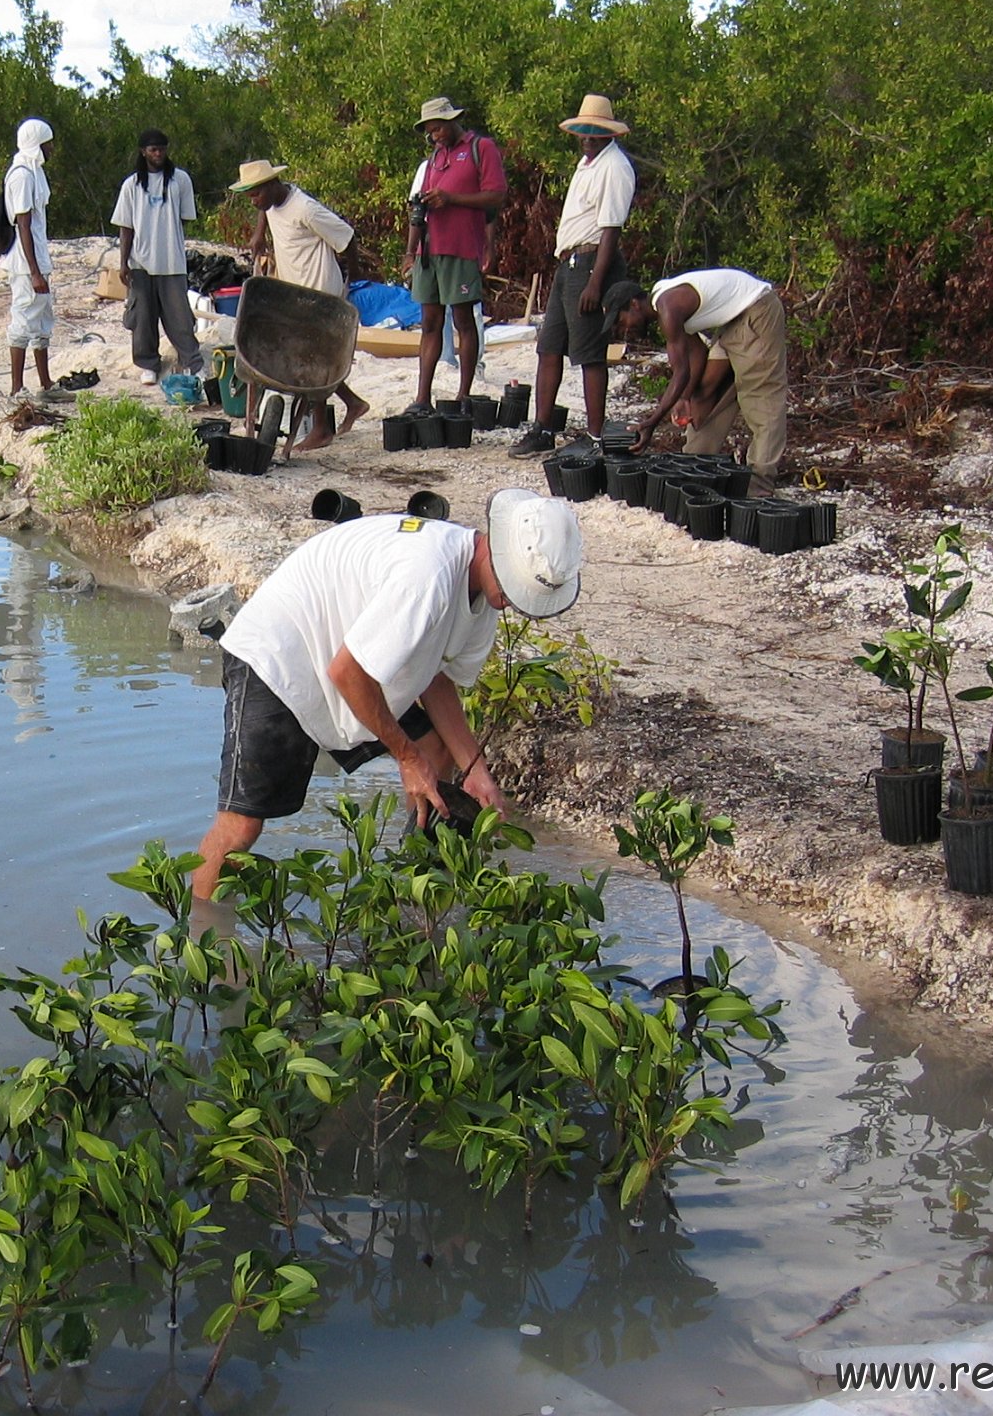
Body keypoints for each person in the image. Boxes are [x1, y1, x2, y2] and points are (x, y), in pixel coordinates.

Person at [189, 490, 584, 914]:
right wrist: (406, 757)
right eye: (513, 588)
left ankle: (417, 893)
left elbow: (436, 678)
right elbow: (348, 674)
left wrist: (476, 771)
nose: (511, 602)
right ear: (496, 550)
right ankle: (203, 939)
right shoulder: (426, 577)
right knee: (242, 824)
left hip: (348, 658)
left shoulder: (483, 593)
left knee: (436, 749)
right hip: (280, 656)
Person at [509, 95, 636, 460]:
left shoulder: (615, 167)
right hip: (570, 262)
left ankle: (596, 437)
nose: (587, 137)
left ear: (607, 133)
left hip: (593, 260)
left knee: (589, 353)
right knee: (549, 347)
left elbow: (611, 229)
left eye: (595, 132)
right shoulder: (588, 163)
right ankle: (543, 429)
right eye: (584, 131)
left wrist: (597, 283)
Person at [606, 268, 790, 494]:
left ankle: (759, 488)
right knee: (705, 392)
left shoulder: (668, 305)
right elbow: (697, 356)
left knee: (761, 399)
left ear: (634, 304)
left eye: (620, 320)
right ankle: (696, 466)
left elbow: (681, 372)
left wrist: (650, 423)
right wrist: (685, 397)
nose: (623, 329)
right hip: (732, 323)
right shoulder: (668, 303)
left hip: (757, 312)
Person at [232, 159, 369, 449]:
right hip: (294, 290)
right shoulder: (270, 204)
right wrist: (259, 233)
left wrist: (353, 275)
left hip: (319, 291)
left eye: (256, 195)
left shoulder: (305, 209)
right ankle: (352, 403)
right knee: (305, 355)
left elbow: (346, 237)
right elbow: (266, 212)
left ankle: (321, 428)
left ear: (271, 185)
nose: (254, 202)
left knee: (311, 359)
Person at [403, 98, 506, 414]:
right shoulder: (435, 158)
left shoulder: (481, 148)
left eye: (438, 128)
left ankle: (464, 395)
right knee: (430, 322)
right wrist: (411, 251)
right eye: (430, 131)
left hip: (461, 248)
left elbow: (497, 196)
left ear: (452, 121)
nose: (435, 136)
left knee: (463, 319)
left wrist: (451, 199)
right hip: (429, 251)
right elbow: (417, 211)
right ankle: (422, 399)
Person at [111, 129, 203, 388]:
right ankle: (148, 364)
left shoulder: (180, 180)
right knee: (143, 318)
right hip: (141, 262)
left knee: (179, 316)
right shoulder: (132, 185)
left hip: (172, 261)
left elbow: (184, 218)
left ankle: (191, 361)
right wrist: (123, 262)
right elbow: (125, 225)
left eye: (162, 148)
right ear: (143, 152)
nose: (158, 153)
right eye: (153, 149)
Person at [1, 117, 56, 398]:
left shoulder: (36, 171)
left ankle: (46, 385)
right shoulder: (21, 174)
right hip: (25, 264)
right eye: (48, 143)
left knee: (43, 321)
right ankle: (16, 388)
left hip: (39, 259)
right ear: (37, 144)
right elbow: (22, 224)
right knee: (22, 322)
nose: (52, 149)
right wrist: (34, 271)